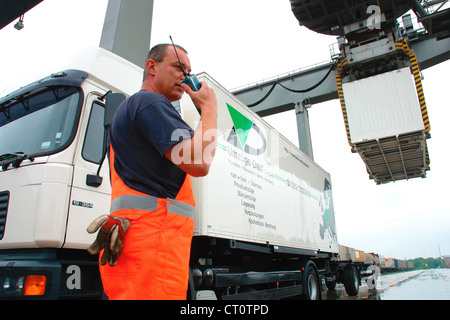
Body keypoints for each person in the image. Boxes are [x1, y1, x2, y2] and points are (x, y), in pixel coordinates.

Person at [87, 43, 218, 300]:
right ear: (152, 67)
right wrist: (210, 108)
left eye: (189, 71)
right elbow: (199, 162)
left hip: (136, 243)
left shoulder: (131, 110)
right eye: (178, 67)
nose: (186, 76)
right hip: (154, 243)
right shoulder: (150, 103)